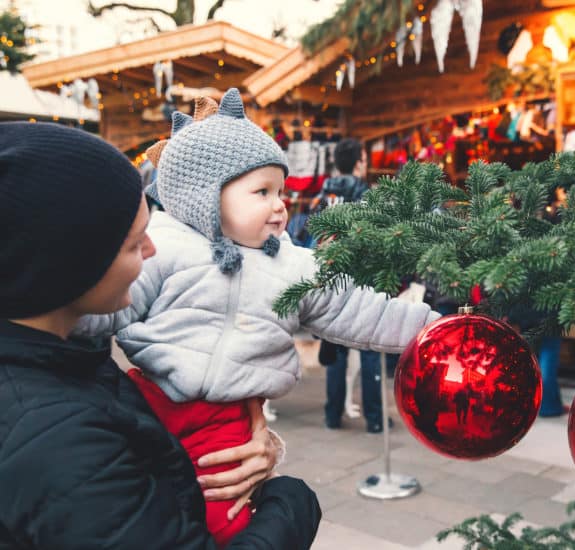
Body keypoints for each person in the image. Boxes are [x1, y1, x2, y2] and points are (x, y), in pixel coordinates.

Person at [72, 89, 438, 542]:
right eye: (261, 191)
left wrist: (432, 329)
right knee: (139, 504)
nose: (279, 204)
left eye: (280, 191)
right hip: (153, 401)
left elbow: (354, 307)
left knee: (223, 511)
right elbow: (113, 302)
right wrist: (67, 318)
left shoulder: (290, 265)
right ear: (205, 196)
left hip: (229, 419)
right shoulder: (165, 246)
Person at [0, 121, 321, 549]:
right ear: (71, 263)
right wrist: (291, 499)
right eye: (135, 243)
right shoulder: (58, 440)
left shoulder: (66, 359)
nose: (152, 250)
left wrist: (253, 445)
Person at [313, 138, 401, 433]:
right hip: (363, 280)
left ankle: (332, 414)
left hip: (334, 279)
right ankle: (375, 419)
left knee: (336, 348)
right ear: (360, 161)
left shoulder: (326, 193)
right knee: (368, 350)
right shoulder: (366, 194)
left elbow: (315, 235)